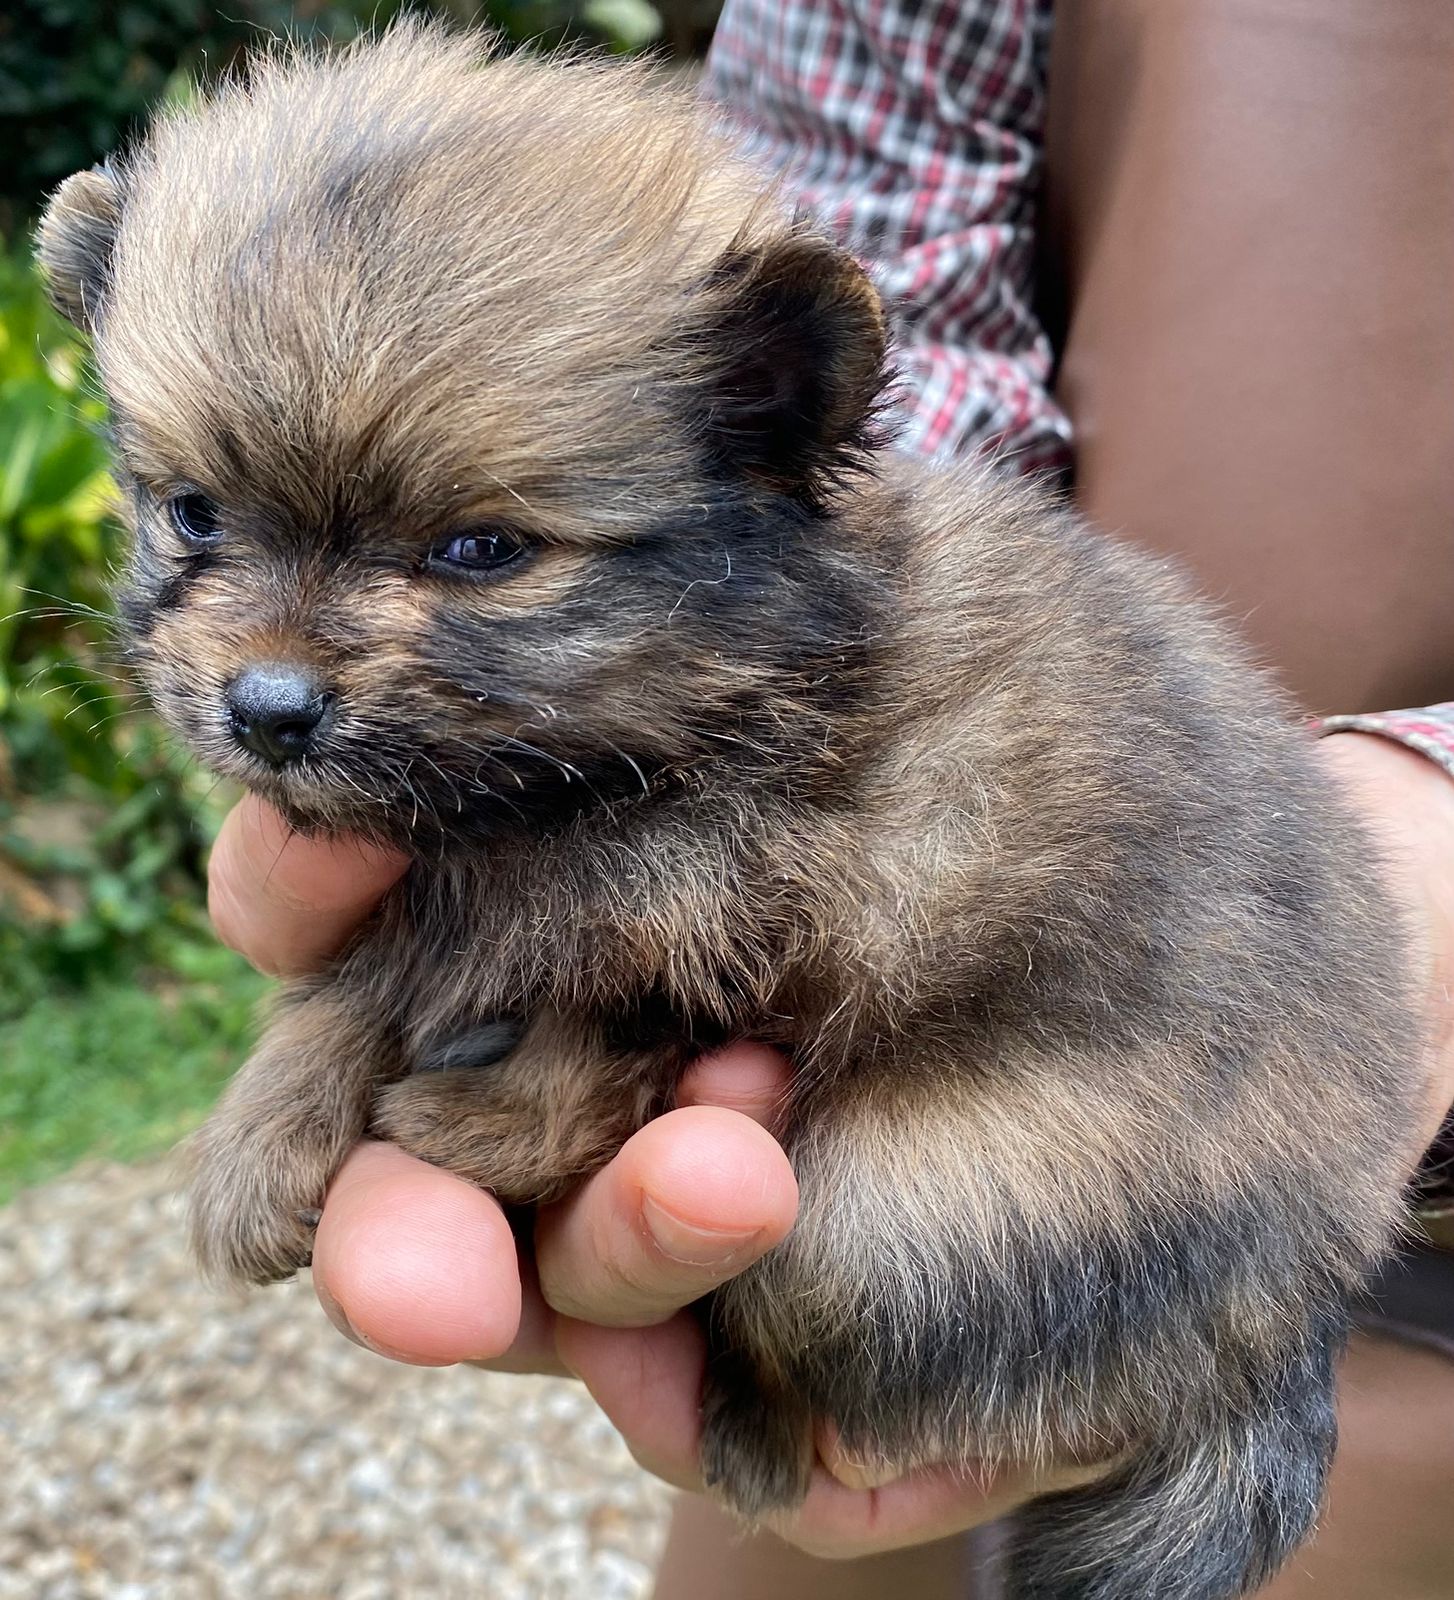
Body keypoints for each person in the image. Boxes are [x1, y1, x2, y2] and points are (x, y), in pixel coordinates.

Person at [206, 1, 1454, 1594]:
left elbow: (653, 920)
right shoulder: (741, 499)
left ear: (762, 403)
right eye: (199, 520)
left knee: (845, 1270)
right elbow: (863, 263)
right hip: (876, 1182)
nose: (271, 671)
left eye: (477, 551)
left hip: (1120, 1119)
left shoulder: (782, 675)